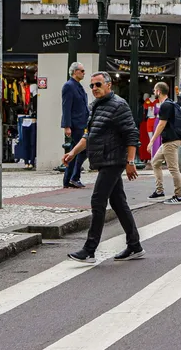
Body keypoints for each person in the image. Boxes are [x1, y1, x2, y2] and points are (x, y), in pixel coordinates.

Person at [63, 72, 142, 263]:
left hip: (113, 161)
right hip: (104, 160)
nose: (94, 88)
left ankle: (89, 250)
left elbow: (132, 134)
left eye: (98, 84)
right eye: (92, 86)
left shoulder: (119, 105)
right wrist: (73, 152)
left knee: (98, 201)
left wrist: (130, 162)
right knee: (118, 203)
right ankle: (135, 245)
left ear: (109, 85)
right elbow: (88, 135)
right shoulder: (96, 107)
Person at [147, 82, 181, 204]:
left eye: (154, 90)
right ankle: (159, 191)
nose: (154, 92)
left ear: (158, 91)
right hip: (168, 141)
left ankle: (179, 196)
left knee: (173, 169)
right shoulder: (170, 103)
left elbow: (161, 124)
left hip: (171, 141)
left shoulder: (165, 106)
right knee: (155, 162)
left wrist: (152, 141)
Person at [60, 62, 89, 189]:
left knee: (75, 151)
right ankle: (73, 177)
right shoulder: (69, 86)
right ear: (75, 72)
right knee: (82, 150)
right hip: (76, 123)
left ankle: (69, 179)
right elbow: (66, 107)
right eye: (82, 71)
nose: (84, 73)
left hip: (81, 122)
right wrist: (67, 125)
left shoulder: (77, 86)